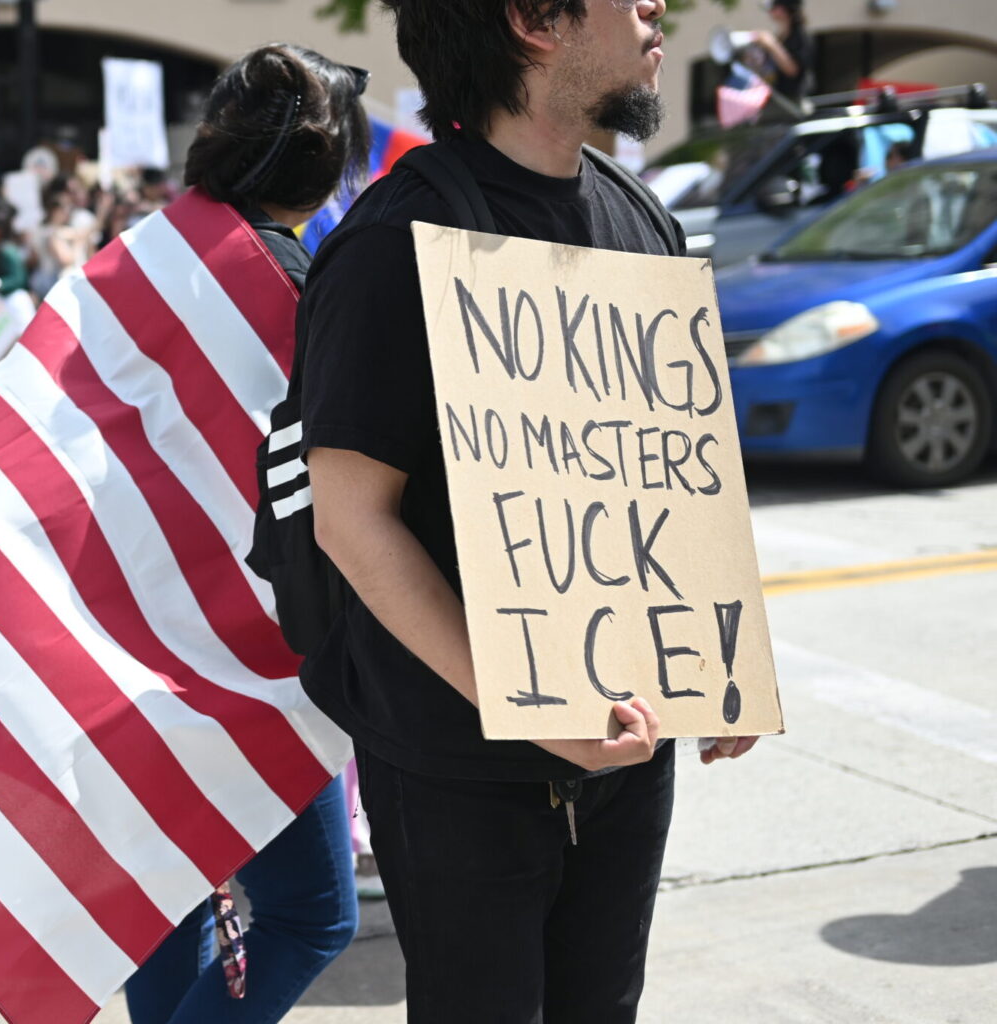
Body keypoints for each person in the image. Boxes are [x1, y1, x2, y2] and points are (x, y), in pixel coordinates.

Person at [299, 3, 761, 1020]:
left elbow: (667, 469)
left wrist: (719, 665)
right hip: (459, 770)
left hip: (629, 756)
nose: (656, 11)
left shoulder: (644, 218)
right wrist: (537, 707)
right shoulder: (393, 242)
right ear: (536, 21)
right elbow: (349, 518)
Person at [121, 43, 369, 1024]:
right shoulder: (309, 289)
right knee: (311, 914)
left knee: (165, 896)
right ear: (319, 163)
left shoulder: (136, 264)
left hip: (125, 639)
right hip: (249, 656)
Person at [751, 0, 813, 104]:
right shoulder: (781, 36)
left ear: (784, 9)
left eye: (775, 7)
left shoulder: (800, 37)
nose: (771, 10)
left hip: (793, 101)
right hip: (777, 98)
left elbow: (792, 70)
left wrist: (771, 45)